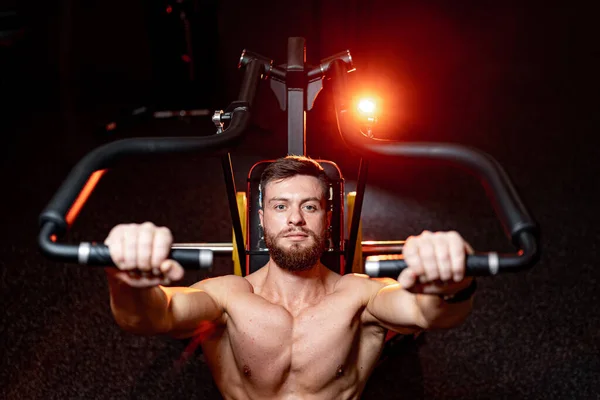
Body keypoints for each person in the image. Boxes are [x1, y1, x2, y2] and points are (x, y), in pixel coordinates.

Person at [104, 155, 477, 399]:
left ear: (327, 220)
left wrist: (453, 280)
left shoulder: (359, 295)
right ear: (262, 219)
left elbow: (431, 313)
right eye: (280, 206)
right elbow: (154, 315)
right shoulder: (227, 296)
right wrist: (125, 279)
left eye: (309, 206)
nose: (295, 218)